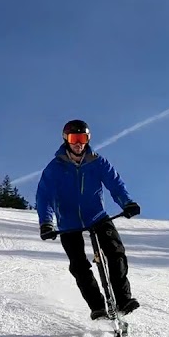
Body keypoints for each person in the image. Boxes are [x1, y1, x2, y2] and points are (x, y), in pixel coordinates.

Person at [35, 119, 141, 320]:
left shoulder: (97, 161)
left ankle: (123, 299)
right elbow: (44, 196)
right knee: (79, 265)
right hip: (68, 222)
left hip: (97, 216)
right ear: (66, 140)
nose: (78, 143)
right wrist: (46, 223)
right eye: (74, 138)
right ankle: (97, 306)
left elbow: (115, 184)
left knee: (115, 251)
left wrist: (127, 203)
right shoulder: (55, 167)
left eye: (82, 138)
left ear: (88, 139)